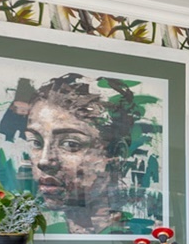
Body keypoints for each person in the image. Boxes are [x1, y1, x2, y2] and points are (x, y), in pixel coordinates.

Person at [10, 72, 145, 233]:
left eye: (70, 144)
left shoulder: (141, 233)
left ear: (117, 155)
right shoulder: (46, 234)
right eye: (36, 143)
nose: (44, 161)